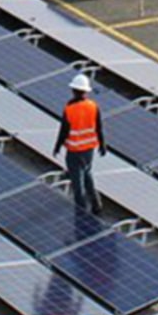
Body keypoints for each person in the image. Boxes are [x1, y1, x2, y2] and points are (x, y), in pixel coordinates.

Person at [51, 73, 106, 214]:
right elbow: (99, 127)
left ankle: (81, 212)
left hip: (74, 151)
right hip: (89, 150)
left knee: (77, 184)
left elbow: (64, 131)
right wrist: (102, 145)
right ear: (86, 91)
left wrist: (57, 147)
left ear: (73, 90)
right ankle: (96, 205)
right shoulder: (93, 106)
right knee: (87, 175)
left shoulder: (69, 108)